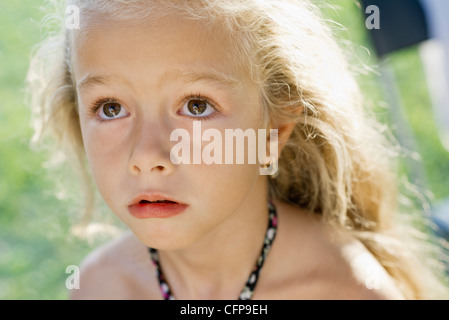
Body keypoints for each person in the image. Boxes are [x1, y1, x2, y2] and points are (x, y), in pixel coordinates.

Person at [27, 0, 449, 300]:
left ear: (273, 132)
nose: (146, 154)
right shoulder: (99, 287)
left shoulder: (347, 291)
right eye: (111, 108)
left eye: (197, 106)